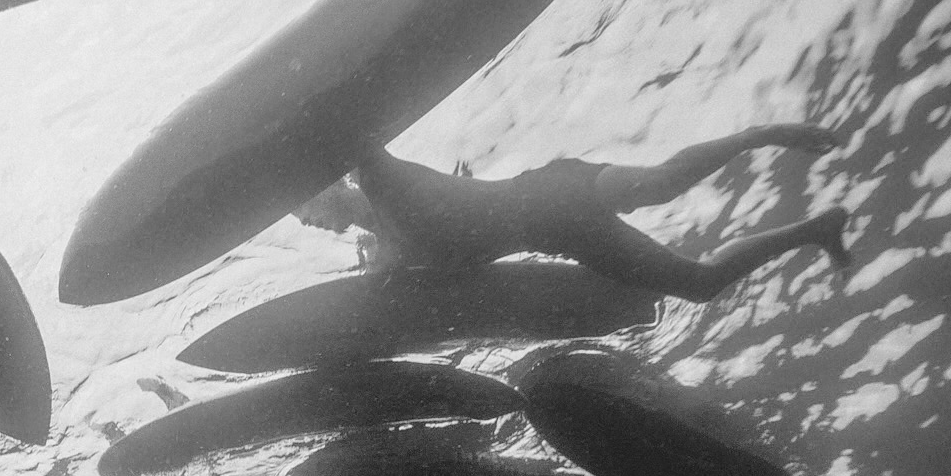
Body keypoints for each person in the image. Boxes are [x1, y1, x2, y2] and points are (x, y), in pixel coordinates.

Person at [293, 125, 853, 300]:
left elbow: (346, 132)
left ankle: (767, 133)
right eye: (298, 219)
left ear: (329, 183)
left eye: (302, 205)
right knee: (700, 285)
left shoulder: (379, 180)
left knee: (661, 184)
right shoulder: (382, 256)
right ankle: (815, 229)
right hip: (567, 241)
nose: (305, 221)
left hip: (554, 193)